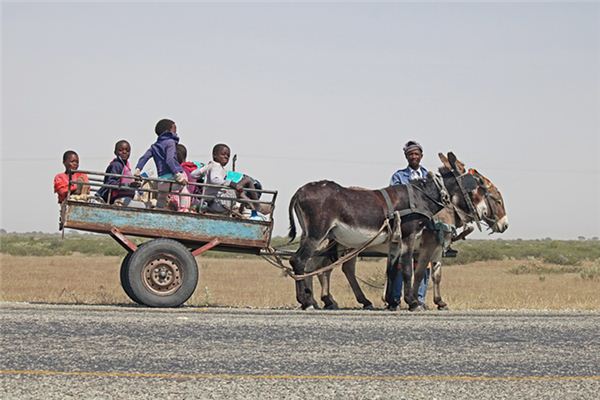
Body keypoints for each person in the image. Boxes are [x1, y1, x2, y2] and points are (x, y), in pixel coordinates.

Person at [388, 140, 430, 309]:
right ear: (406, 156)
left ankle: (419, 298)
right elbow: (394, 197)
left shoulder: (428, 175)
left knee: (423, 263)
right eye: (411, 154)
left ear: (421, 156)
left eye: (416, 154)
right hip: (405, 225)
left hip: (424, 225)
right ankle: (396, 298)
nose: (414, 157)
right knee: (401, 263)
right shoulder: (398, 176)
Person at [192, 143, 262, 219]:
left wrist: (205, 170)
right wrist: (231, 183)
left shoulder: (212, 166)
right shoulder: (216, 166)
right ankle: (256, 207)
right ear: (214, 155)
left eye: (228, 155)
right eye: (223, 154)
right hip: (219, 203)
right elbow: (214, 180)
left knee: (239, 191)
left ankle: (253, 207)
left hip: (213, 203)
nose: (226, 157)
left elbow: (193, 174)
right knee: (247, 180)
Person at [134, 119, 188, 208]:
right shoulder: (170, 142)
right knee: (184, 188)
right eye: (174, 129)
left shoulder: (154, 146)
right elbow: (170, 160)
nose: (176, 131)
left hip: (161, 181)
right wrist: (178, 176)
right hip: (172, 179)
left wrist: (138, 170)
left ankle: (159, 211)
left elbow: (144, 158)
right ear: (168, 131)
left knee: (162, 197)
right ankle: (184, 209)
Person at [96, 140, 136, 204]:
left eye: (127, 150)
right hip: (117, 197)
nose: (124, 152)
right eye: (121, 150)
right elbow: (110, 182)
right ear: (115, 152)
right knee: (141, 206)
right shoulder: (116, 165)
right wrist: (127, 185)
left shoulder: (126, 166)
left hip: (125, 197)